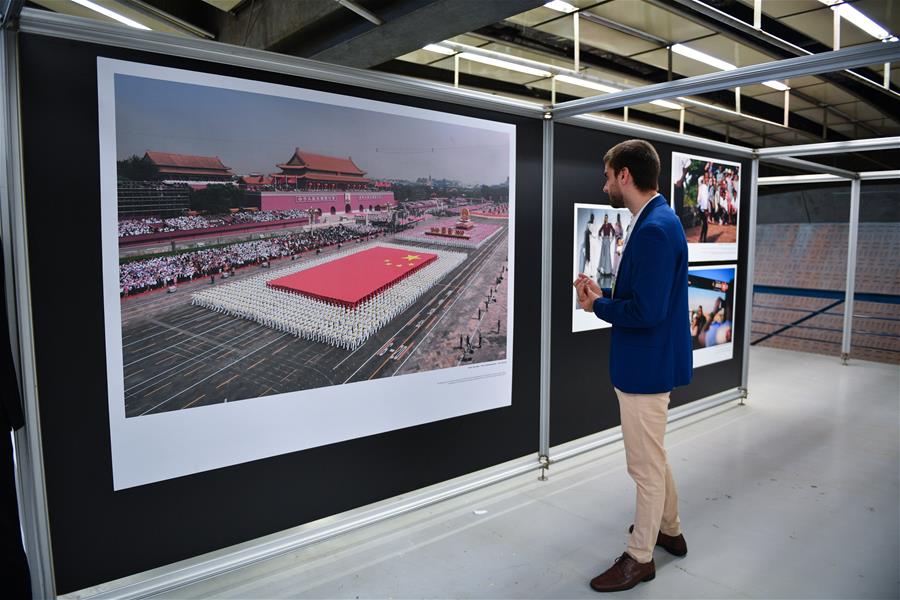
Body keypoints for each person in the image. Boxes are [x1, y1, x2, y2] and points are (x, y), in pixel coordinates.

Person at [573, 139, 692, 593]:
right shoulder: (655, 222)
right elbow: (647, 301)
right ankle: (671, 529)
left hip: (645, 367)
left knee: (642, 466)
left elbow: (647, 312)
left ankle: (640, 556)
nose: (605, 184)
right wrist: (603, 298)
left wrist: (597, 307)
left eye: (608, 176)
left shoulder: (656, 229)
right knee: (654, 456)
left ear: (625, 175)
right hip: (648, 362)